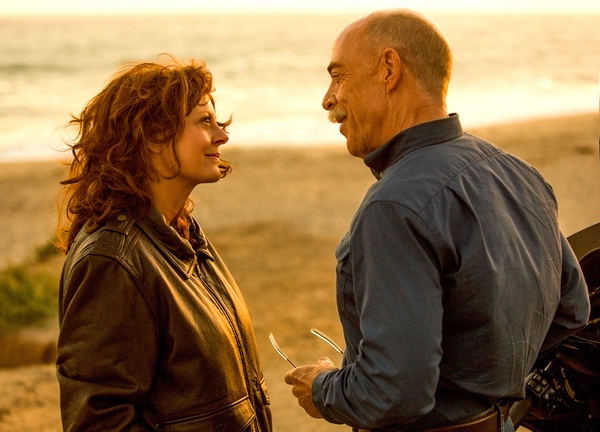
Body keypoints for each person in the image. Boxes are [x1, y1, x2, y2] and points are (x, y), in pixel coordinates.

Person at [283, 9, 590, 432]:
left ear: (389, 70)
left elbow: (394, 394)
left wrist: (321, 388)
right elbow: (571, 309)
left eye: (338, 76)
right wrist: (486, 382)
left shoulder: (392, 207)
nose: (328, 98)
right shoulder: (519, 173)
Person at [55, 55, 272, 431]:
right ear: (153, 136)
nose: (222, 136)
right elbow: (99, 421)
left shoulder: (183, 237)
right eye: (204, 121)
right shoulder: (112, 260)